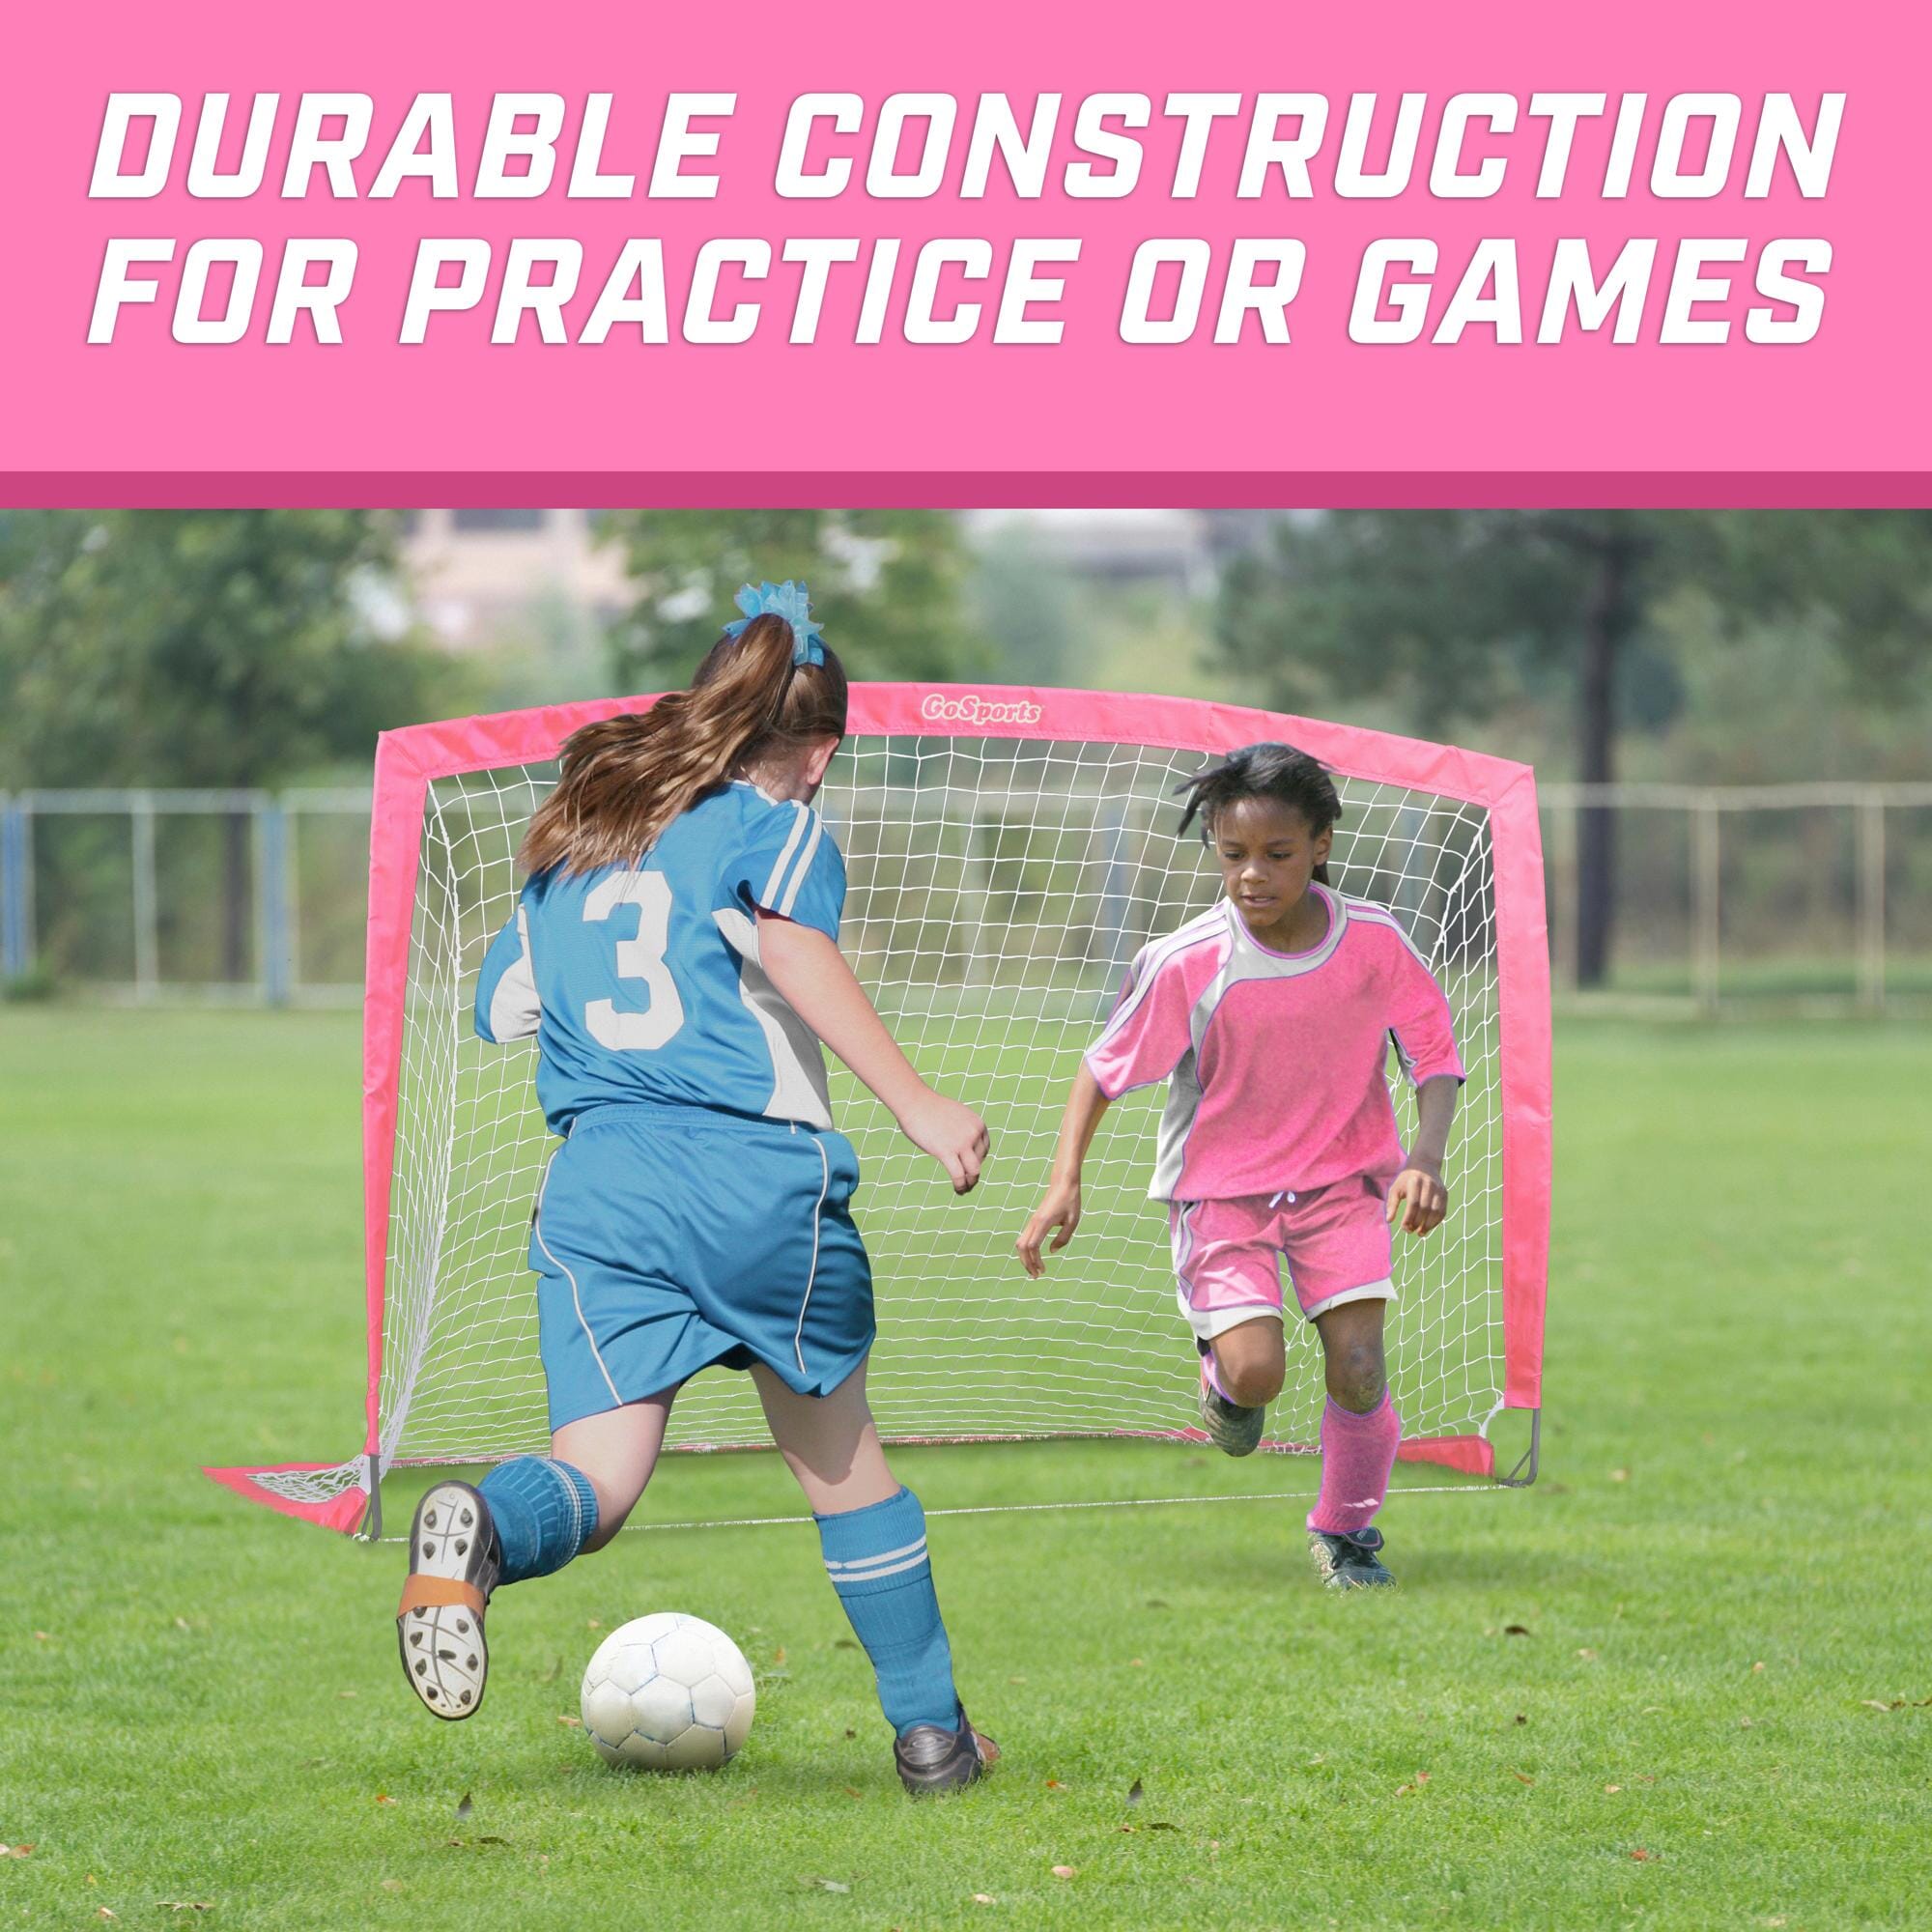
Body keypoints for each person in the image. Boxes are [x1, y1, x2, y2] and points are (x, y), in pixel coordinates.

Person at [396, 582, 997, 1793]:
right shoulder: (771, 822)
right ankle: (933, 1738)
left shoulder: (578, 837)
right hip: (750, 1178)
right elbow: (790, 943)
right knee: (841, 1464)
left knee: (601, 1483)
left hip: (598, 1187)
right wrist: (918, 1103)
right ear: (818, 747)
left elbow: (500, 1005)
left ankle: (485, 1532)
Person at [1014, 742, 1463, 1590]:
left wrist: (1425, 1156)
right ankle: (1225, 1382)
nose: (1252, 875)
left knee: (1361, 1366)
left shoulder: (1375, 944)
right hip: (1223, 1200)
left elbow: (1435, 1057)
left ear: (1322, 844)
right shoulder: (1188, 960)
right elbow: (1103, 1070)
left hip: (1344, 1189)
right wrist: (1064, 1180)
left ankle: (1346, 1535)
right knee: (1258, 1374)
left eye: (1277, 855)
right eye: (1233, 856)